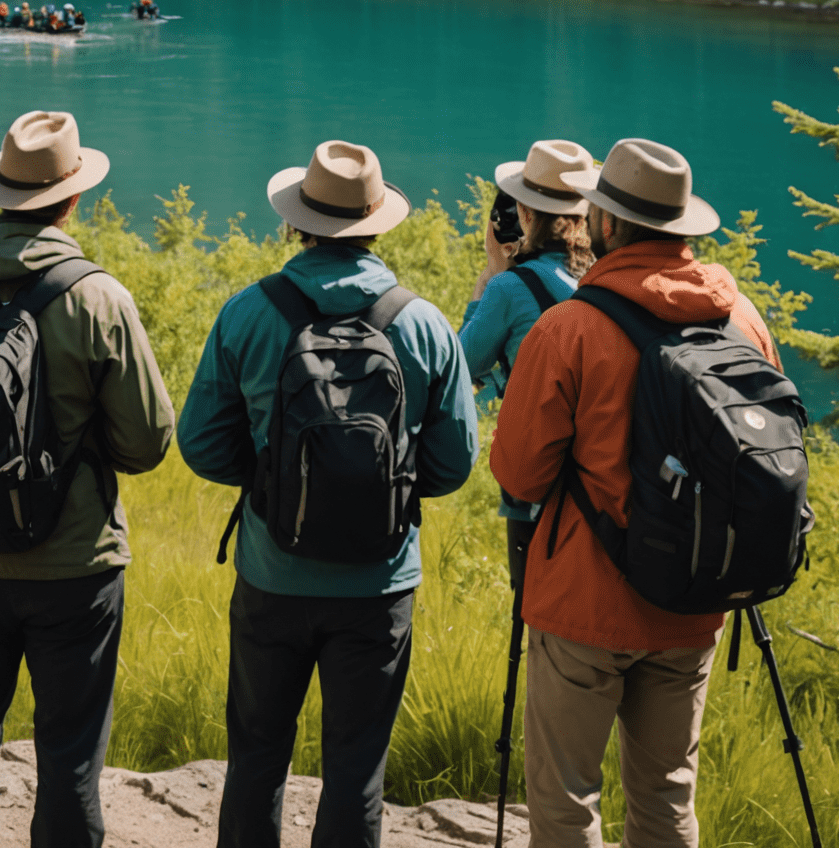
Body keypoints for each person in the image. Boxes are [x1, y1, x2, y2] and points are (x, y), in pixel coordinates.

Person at [0, 111, 175, 848]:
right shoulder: (96, 299)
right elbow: (147, 442)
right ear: (72, 198)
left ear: (1, 193)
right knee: (71, 758)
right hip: (74, 564)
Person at [177, 140, 478, 848]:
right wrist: (391, 492)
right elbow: (455, 462)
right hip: (380, 585)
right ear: (377, 224)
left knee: (256, 756)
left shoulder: (249, 313)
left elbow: (199, 444)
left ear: (297, 223)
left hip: (271, 574)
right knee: (356, 768)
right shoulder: (424, 323)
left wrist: (272, 481)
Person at [491, 138, 784, 848]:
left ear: (607, 225)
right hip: (696, 598)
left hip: (583, 605)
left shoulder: (570, 328)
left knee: (565, 799)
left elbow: (520, 473)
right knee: (666, 795)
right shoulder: (740, 318)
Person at [458, 140, 594, 581]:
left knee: (534, 602)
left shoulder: (510, 288)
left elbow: (462, 366)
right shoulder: (599, 276)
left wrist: (489, 281)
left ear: (526, 214)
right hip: (604, 476)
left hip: (539, 480)